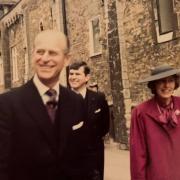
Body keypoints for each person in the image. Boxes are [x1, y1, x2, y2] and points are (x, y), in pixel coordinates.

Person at [0, 30, 87, 180]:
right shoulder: (7, 104)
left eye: (52, 53)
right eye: (40, 52)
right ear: (33, 55)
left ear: (66, 59)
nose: (45, 58)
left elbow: (86, 157)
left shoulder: (76, 102)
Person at [130, 64, 180, 180]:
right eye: (161, 81)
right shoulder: (140, 113)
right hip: (156, 175)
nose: (167, 85)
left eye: (171, 80)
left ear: (175, 83)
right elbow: (138, 155)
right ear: (154, 84)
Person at [68, 61, 110, 180]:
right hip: (69, 159)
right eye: (71, 74)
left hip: (94, 159)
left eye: (77, 74)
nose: (73, 77)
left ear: (87, 77)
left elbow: (105, 126)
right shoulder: (61, 99)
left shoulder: (98, 98)